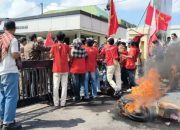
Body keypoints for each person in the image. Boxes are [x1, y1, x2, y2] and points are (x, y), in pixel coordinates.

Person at [0, 20, 22, 130]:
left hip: (0, 72)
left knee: (2, 97)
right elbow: (14, 55)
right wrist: (19, 53)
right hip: (10, 71)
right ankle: (8, 123)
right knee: (11, 97)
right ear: (14, 28)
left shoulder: (1, 39)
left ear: (4, 28)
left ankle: (3, 119)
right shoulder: (12, 39)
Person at [50, 32, 70, 108]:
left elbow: (51, 55)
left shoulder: (54, 46)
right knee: (64, 86)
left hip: (56, 68)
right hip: (65, 68)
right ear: (63, 38)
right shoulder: (67, 46)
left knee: (55, 86)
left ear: (57, 38)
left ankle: (56, 103)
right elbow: (70, 56)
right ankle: (63, 103)